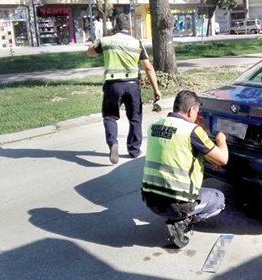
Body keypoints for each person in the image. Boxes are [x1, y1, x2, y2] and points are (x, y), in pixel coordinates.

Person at [141, 90, 229, 248]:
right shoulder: (192, 132)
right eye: (197, 112)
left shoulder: (154, 125)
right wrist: (221, 138)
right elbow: (223, 158)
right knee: (219, 199)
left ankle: (177, 216)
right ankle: (182, 221)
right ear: (191, 110)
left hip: (150, 200)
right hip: (178, 205)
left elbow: (177, 150)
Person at [86, 13, 161, 164]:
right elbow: (148, 68)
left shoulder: (106, 41)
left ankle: (113, 142)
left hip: (113, 85)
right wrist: (156, 89)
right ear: (130, 27)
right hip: (133, 86)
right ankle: (133, 150)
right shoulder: (136, 43)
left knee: (110, 116)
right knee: (135, 118)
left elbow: (90, 53)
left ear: (115, 24)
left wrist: (101, 38)